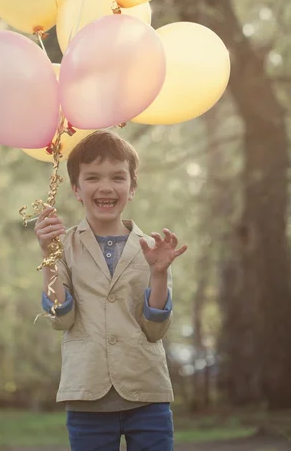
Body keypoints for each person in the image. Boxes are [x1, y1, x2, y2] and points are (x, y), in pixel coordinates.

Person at [34, 130, 188, 451]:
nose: (105, 186)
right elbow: (60, 319)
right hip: (87, 393)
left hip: (147, 391)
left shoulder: (152, 249)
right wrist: (48, 255)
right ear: (76, 189)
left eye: (118, 177)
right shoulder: (65, 247)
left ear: (132, 188)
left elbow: (155, 329)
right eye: (92, 178)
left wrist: (159, 274)